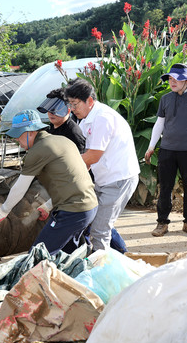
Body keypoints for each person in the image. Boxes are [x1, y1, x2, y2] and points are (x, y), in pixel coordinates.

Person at [0, 110, 98, 255]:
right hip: (89, 206)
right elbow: (72, 179)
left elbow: (20, 187)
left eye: (19, 135)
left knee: (38, 254)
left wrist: (3, 210)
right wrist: (48, 206)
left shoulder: (38, 150)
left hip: (73, 211)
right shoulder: (63, 141)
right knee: (69, 256)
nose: (17, 139)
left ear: (30, 132)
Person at [38, 88, 128, 253]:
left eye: (55, 109)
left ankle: (117, 254)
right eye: (48, 109)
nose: (51, 114)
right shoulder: (54, 130)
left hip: (89, 183)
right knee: (98, 223)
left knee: (97, 226)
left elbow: (85, 162)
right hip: (80, 184)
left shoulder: (75, 132)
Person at [64, 78, 140, 251]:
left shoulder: (103, 118)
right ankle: (119, 255)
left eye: (75, 104)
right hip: (104, 179)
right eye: (70, 105)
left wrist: (64, 166)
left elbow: (92, 156)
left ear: (89, 101)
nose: (72, 109)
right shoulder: (86, 119)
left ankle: (101, 272)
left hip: (118, 179)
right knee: (93, 222)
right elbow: (87, 159)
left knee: (100, 231)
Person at [144, 63, 187, 237]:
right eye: (170, 78)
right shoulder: (166, 99)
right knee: (165, 188)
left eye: (177, 78)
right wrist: (151, 146)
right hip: (167, 150)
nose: (172, 81)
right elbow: (159, 123)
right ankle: (162, 223)